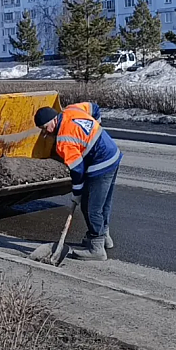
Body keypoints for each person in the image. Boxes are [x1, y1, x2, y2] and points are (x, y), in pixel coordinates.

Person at [35, 102, 122, 261]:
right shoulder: (72, 109)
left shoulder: (64, 140)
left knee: (90, 206)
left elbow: (78, 169)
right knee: (103, 202)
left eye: (44, 128)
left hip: (101, 163)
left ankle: (97, 248)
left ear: (53, 121)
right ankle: (104, 237)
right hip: (112, 152)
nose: (45, 133)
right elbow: (94, 108)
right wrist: (96, 128)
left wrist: (77, 193)